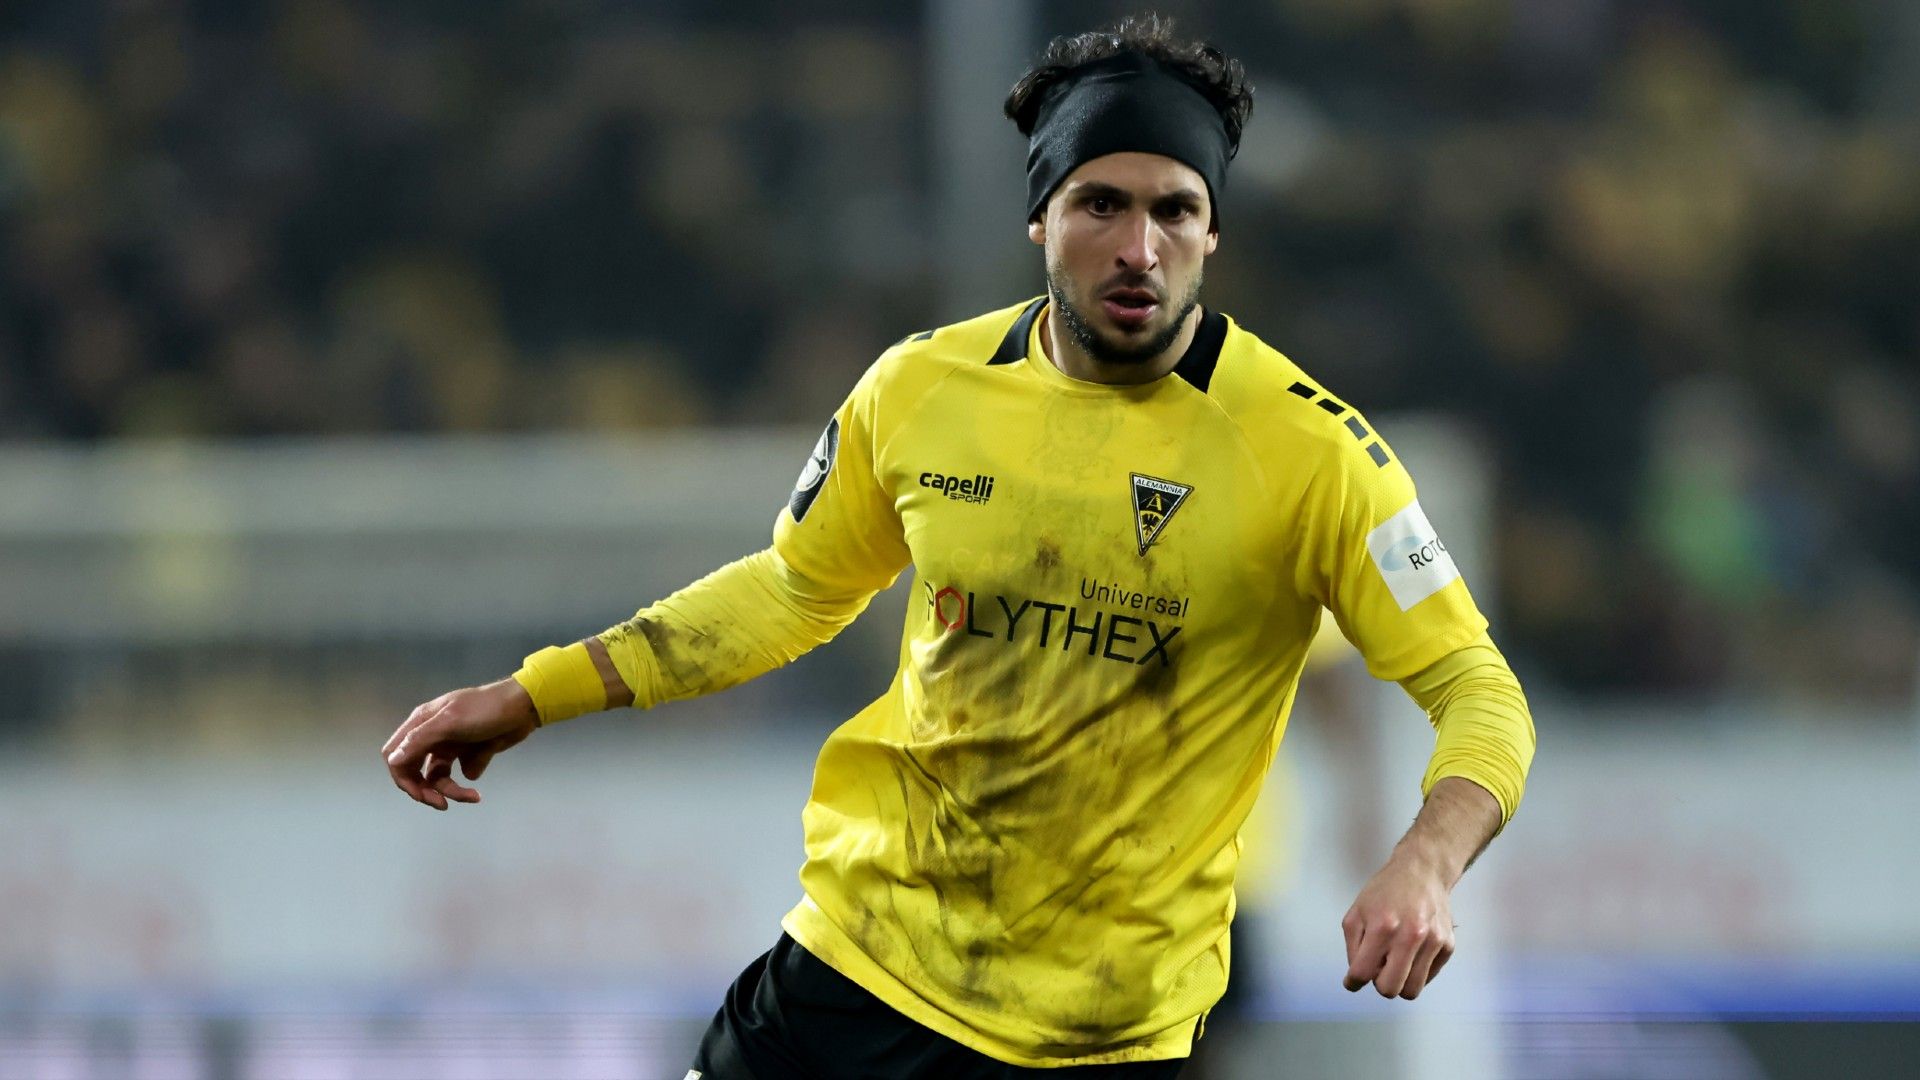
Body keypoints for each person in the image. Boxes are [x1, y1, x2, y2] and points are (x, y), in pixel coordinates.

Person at [381, 14, 1535, 1078]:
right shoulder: (920, 389)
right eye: (1101, 205)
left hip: (1100, 1034)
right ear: (1040, 218)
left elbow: (1479, 690)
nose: (1139, 246)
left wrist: (1425, 859)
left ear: (1213, 231)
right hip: (857, 968)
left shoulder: (1313, 452)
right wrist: (538, 694)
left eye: (1174, 210)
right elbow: (793, 591)